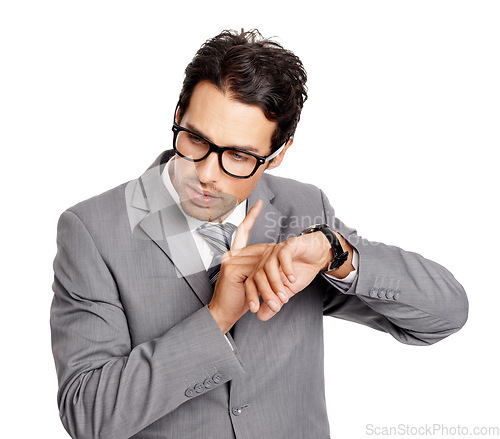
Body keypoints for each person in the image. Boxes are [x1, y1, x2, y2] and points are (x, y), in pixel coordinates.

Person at [50, 29, 468, 439]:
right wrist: (218, 318)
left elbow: (443, 316)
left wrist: (336, 254)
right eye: (195, 139)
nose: (206, 175)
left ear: (279, 153)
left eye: (238, 155)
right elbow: (89, 416)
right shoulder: (93, 231)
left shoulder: (302, 211)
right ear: (178, 115)